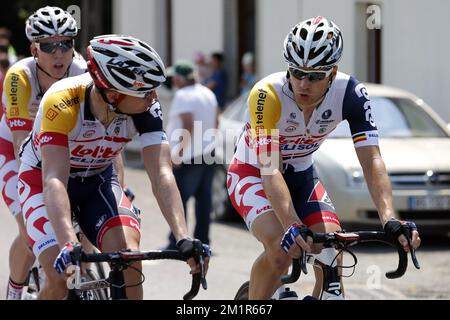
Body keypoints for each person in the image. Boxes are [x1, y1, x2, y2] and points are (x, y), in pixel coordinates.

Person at [226, 16, 421, 300]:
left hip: (302, 176)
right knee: (281, 252)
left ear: (333, 73)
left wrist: (389, 218)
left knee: (333, 250)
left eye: (316, 76)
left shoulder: (351, 94)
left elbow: (371, 161)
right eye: (296, 72)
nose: (303, 83)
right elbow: (269, 170)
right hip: (253, 173)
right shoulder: (266, 95)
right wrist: (292, 223)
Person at [17, 34, 210, 300]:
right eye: (145, 90)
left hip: (98, 179)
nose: (154, 97)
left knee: (129, 257)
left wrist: (183, 237)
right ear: (113, 92)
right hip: (42, 181)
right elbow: (54, 180)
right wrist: (67, 243)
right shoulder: (62, 101)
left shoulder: (146, 108)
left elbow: (161, 174)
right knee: (61, 277)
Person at [0, 6, 87, 300]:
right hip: (16, 152)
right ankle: (14, 291)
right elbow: (21, 143)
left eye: (66, 44)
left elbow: (105, 137)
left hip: (60, 148)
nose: (59, 53)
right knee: (30, 228)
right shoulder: (18, 78)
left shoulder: (83, 72)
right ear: (34, 50)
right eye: (50, 46)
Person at [164, 60, 218, 249]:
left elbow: (187, 124)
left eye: (174, 78)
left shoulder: (183, 95)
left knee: (178, 199)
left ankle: (177, 241)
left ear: (179, 78)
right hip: (207, 153)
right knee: (204, 201)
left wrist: (177, 153)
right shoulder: (207, 92)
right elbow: (216, 122)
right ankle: (203, 241)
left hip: (189, 156)